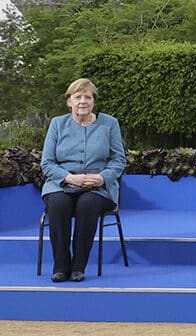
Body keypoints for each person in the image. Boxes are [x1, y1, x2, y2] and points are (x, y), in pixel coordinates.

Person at [39, 78, 127, 283]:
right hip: (63, 183)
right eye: (77, 97)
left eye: (87, 97)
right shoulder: (57, 124)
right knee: (59, 205)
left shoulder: (109, 124)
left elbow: (118, 160)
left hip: (98, 187)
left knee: (86, 205)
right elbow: (47, 163)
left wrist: (101, 177)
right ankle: (61, 266)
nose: (82, 101)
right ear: (69, 101)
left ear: (94, 101)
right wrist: (70, 177)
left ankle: (78, 266)